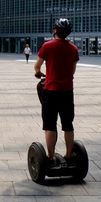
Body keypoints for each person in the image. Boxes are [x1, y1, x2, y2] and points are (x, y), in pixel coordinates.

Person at [33, 18, 79, 163]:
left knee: (50, 125)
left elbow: (37, 66)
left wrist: (39, 72)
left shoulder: (47, 46)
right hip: (67, 90)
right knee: (68, 124)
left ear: (55, 31)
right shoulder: (73, 48)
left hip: (51, 90)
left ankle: (50, 156)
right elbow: (72, 71)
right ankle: (69, 154)